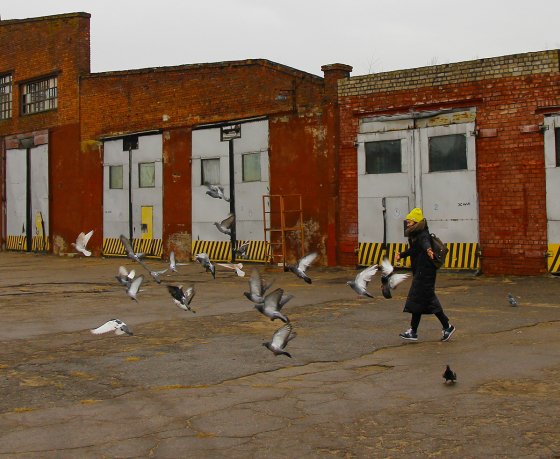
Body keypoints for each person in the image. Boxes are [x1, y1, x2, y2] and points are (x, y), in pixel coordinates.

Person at [394, 207, 455, 342]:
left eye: (409, 222)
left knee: (427, 300)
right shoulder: (416, 234)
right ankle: (414, 331)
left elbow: (426, 243)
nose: (407, 224)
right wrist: (402, 255)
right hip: (421, 271)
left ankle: (446, 326)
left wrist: (429, 250)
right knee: (418, 301)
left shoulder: (422, 234)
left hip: (425, 272)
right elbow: (414, 250)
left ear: (416, 222)